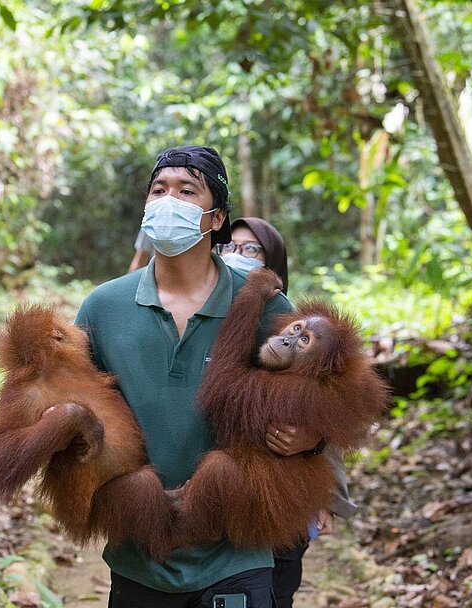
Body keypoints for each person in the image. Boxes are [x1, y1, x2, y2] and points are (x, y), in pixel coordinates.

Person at [75, 146, 295, 607]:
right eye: (158, 190)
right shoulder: (104, 307)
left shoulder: (262, 304)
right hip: (139, 554)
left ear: (216, 219)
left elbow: (318, 398)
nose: (167, 201)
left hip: (237, 551)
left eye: (186, 190)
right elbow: (71, 403)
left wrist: (307, 440)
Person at [216, 217, 359, 608]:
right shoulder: (205, 308)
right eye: (229, 247)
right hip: (228, 495)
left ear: (273, 265)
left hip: (282, 508)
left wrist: (322, 477)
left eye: (251, 250)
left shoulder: (289, 322)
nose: (236, 256)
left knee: (277, 586)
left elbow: (335, 412)